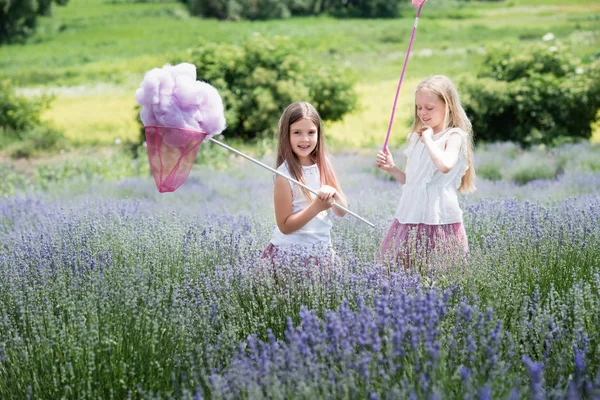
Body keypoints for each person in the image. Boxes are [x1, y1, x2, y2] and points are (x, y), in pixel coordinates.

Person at [375, 75, 476, 268]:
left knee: (438, 273)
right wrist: (392, 168)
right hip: (410, 214)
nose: (423, 113)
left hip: (437, 218)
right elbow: (413, 182)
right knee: (401, 270)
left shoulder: (453, 136)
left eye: (429, 108)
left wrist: (429, 139)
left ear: (448, 106)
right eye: (419, 107)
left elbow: (445, 165)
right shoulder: (416, 138)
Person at [262, 101, 347, 272]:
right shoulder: (284, 175)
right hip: (290, 255)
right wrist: (317, 207)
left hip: (321, 252)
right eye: (297, 133)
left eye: (311, 132)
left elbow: (342, 210)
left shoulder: (324, 165)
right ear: (286, 135)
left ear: (319, 134)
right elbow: (285, 226)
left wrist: (334, 195)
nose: (305, 139)